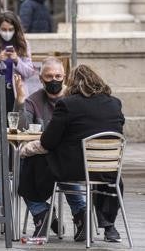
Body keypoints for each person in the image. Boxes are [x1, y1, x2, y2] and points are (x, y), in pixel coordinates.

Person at [18, 65, 125, 243]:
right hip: (108, 169)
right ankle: (106, 225)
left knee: (30, 161)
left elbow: (48, 142)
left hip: (73, 169)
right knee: (61, 162)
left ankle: (41, 213)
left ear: (71, 83)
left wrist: (27, 149)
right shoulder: (115, 103)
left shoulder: (67, 104)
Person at [13, 58, 87, 239]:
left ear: (65, 77)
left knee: (61, 164)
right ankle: (42, 213)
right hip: (41, 158)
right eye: (49, 76)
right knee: (19, 166)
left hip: (69, 158)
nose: (54, 80)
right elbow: (21, 129)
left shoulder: (74, 100)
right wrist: (20, 101)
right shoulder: (33, 101)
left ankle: (80, 215)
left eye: (58, 76)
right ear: (41, 78)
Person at [0, 11, 35, 114]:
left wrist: (17, 60)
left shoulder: (23, 44)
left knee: (15, 124)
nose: (7, 32)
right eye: (4, 29)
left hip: (16, 92)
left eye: (10, 29)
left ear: (15, 29)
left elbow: (29, 72)